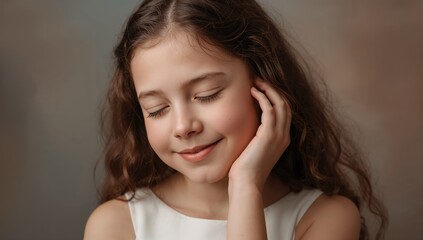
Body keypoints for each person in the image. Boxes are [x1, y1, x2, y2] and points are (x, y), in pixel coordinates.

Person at [84, 0, 387, 239]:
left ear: (264, 83)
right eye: (157, 109)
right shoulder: (116, 226)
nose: (182, 126)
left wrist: (245, 186)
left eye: (207, 94)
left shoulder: (325, 218)